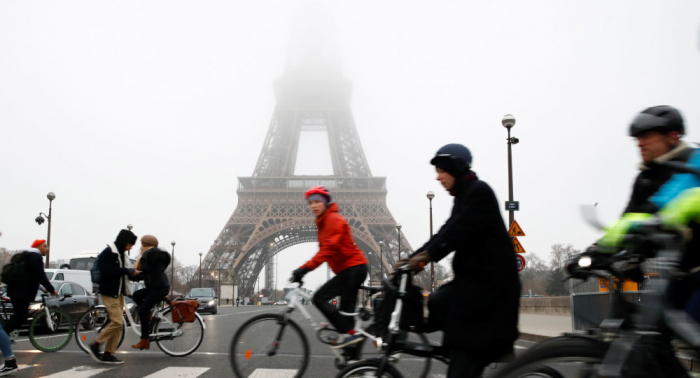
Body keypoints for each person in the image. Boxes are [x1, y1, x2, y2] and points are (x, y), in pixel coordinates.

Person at [397, 144, 521, 378]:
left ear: (456, 167)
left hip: (490, 289)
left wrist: (422, 260)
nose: (437, 176)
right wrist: (413, 259)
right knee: (438, 300)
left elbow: (455, 232)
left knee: (463, 352)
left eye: (442, 170)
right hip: (474, 284)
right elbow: (444, 232)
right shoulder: (465, 195)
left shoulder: (479, 192)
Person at [291, 186, 369, 349]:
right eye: (310, 202)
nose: (313, 206)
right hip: (352, 269)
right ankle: (353, 360)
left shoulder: (333, 219)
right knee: (345, 316)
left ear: (325, 203)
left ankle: (349, 334)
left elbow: (327, 250)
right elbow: (326, 251)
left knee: (319, 298)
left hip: (353, 268)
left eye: (317, 202)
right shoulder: (323, 221)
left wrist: (304, 269)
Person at [0, 240, 57, 375]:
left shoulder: (26, 257)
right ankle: (5, 340)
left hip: (17, 292)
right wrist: (51, 289)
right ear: (37, 247)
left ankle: (5, 339)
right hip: (22, 294)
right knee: (19, 318)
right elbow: (40, 275)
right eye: (44, 246)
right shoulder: (35, 257)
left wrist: (43, 288)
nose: (47, 249)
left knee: (18, 318)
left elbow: (29, 277)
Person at [87, 229, 138, 364]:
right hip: (109, 292)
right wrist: (126, 271)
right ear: (124, 242)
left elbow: (118, 271)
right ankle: (96, 345)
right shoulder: (109, 253)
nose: (130, 247)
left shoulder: (119, 253)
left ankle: (109, 353)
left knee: (118, 324)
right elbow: (107, 271)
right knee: (117, 322)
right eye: (130, 244)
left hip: (118, 292)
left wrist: (132, 273)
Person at [130, 235, 170, 351]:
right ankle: (148, 316)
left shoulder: (148, 254)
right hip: (159, 286)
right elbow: (152, 271)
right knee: (137, 295)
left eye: (142, 244)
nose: (140, 246)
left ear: (145, 244)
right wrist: (139, 276)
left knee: (142, 310)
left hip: (157, 287)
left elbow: (147, 270)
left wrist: (136, 274)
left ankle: (144, 340)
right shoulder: (157, 254)